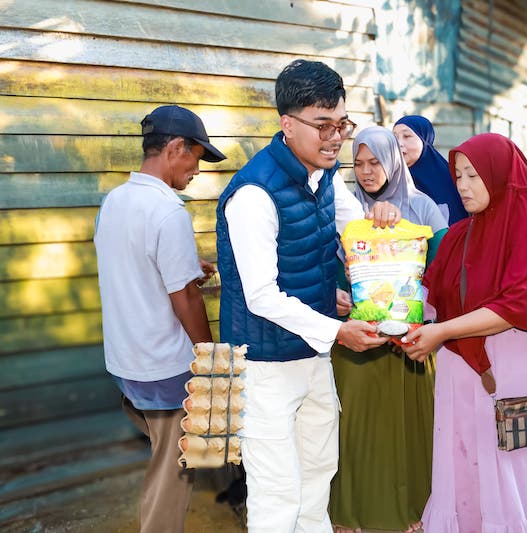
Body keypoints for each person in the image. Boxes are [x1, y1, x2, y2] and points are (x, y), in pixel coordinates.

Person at [215, 59, 399, 533]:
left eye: (341, 124)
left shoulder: (325, 175)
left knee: (319, 471)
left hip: (313, 354)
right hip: (266, 365)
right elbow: (261, 295)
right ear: (287, 124)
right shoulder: (254, 194)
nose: (335, 138)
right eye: (323, 126)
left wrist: (381, 222)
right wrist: (337, 331)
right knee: (278, 492)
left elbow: (354, 231)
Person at [404, 132, 527, 532]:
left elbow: (515, 306)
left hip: (517, 361)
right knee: (465, 455)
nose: (463, 185)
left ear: (499, 174)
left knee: (511, 459)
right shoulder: (458, 235)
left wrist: (441, 332)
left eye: (473, 175)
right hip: (459, 366)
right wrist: (379, 307)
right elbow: (428, 300)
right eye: (458, 176)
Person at [94, 105, 225, 533]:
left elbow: (132, 262)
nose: (196, 171)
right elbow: (185, 297)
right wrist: (209, 359)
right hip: (164, 367)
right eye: (196, 158)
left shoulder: (114, 201)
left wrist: (186, 263)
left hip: (125, 363)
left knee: (174, 451)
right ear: (175, 148)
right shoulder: (168, 212)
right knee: (174, 471)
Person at [329, 126, 447, 533]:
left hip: (412, 344)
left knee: (408, 431)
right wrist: (340, 289)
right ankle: (352, 512)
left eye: (375, 162)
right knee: (357, 432)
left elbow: (446, 273)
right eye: (358, 163)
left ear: (393, 161)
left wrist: (420, 318)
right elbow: (328, 272)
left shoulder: (422, 208)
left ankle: (411, 509)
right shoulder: (345, 212)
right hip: (357, 343)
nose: (366, 171)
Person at [393, 115, 469, 225]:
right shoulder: (390, 179)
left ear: (424, 139)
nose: (399, 143)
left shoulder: (448, 179)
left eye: (407, 136)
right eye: (394, 137)